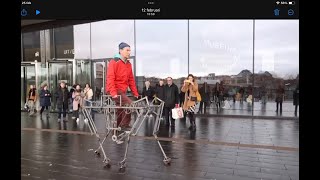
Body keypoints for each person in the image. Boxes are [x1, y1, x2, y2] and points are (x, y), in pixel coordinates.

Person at [106, 42, 139, 128]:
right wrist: (113, 93)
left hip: (122, 91)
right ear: (120, 51)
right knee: (129, 104)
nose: (129, 52)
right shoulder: (114, 62)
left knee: (120, 110)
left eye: (130, 50)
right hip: (113, 90)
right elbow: (110, 78)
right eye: (127, 50)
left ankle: (117, 130)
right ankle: (124, 126)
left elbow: (131, 80)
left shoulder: (128, 64)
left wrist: (135, 93)